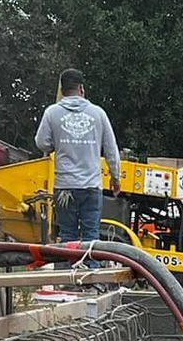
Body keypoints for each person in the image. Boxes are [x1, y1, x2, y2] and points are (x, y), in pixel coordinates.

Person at [36, 68, 121, 247]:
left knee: (68, 236)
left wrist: (56, 144)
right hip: (91, 186)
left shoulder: (52, 113)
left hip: (65, 187)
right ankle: (91, 272)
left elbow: (41, 143)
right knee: (91, 236)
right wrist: (115, 178)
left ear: (62, 90)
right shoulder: (98, 114)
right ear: (81, 88)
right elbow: (111, 150)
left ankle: (69, 272)